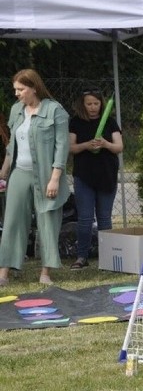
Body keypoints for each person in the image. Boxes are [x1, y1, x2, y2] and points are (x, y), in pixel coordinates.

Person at [0, 69, 71, 287]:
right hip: (19, 173)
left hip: (46, 176)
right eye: (15, 90)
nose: (17, 93)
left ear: (34, 88)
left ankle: (45, 272)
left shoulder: (54, 110)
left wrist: (55, 178)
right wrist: (3, 173)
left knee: (47, 222)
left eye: (21, 89)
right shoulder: (15, 110)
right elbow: (11, 146)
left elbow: (62, 147)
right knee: (12, 222)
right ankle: (3, 273)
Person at [68, 88, 123, 269]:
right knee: (84, 218)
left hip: (106, 175)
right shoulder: (76, 122)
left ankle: (107, 257)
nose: (93, 107)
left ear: (102, 104)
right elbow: (72, 148)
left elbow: (119, 146)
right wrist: (86, 145)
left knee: (104, 218)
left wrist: (105, 144)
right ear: (82, 105)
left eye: (96, 104)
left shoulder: (110, 122)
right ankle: (81, 257)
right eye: (89, 104)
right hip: (83, 176)